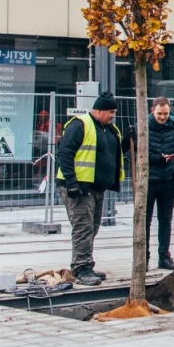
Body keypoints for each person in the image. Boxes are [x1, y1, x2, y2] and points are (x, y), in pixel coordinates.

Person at [55, 94, 125, 286]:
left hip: (96, 187)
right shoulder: (81, 125)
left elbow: (112, 153)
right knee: (83, 227)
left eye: (114, 113)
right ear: (99, 110)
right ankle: (81, 268)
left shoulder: (109, 129)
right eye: (110, 112)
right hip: (79, 187)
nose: (113, 116)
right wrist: (71, 182)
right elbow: (65, 153)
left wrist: (127, 142)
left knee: (92, 227)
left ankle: (84, 264)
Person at [145, 97, 174, 270]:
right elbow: (137, 152)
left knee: (165, 220)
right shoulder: (144, 126)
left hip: (168, 181)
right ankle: (143, 257)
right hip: (148, 181)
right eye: (159, 114)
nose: (162, 117)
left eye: (166, 114)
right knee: (144, 222)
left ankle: (164, 256)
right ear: (152, 110)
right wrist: (156, 159)